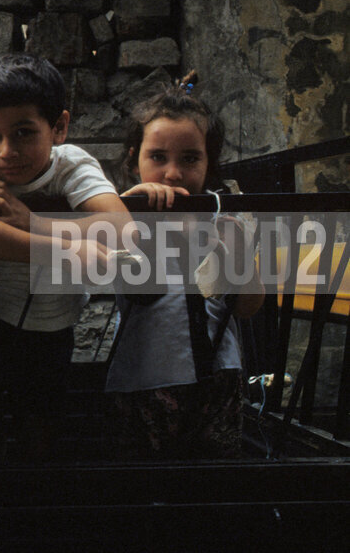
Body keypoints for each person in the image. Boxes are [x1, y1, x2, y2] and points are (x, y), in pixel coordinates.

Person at [0, 53, 127, 462]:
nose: (5, 150)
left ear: (59, 127)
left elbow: (120, 229)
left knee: (42, 422)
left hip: (54, 324)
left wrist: (33, 223)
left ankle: (32, 506)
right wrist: (69, 248)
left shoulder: (73, 167)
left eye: (24, 133)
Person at [104, 79, 264, 459]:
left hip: (220, 379)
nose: (173, 173)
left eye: (190, 159)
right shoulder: (123, 219)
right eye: (157, 157)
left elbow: (248, 306)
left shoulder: (223, 222)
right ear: (134, 160)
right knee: (145, 483)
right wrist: (124, 206)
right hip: (147, 378)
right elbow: (107, 261)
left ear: (209, 164)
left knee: (212, 481)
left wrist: (236, 252)